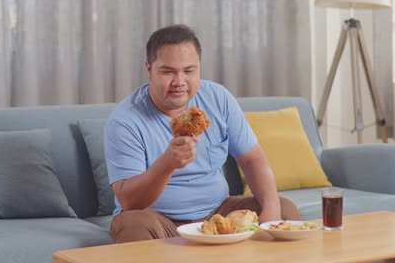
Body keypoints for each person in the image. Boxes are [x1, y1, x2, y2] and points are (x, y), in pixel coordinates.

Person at [105, 24, 301, 243]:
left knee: (285, 209)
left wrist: (271, 209)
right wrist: (167, 164)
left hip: (217, 214)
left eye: (189, 71)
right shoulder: (125, 120)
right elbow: (130, 202)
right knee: (132, 224)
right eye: (168, 71)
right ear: (149, 69)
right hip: (159, 220)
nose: (179, 82)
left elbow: (252, 158)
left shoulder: (218, 98)